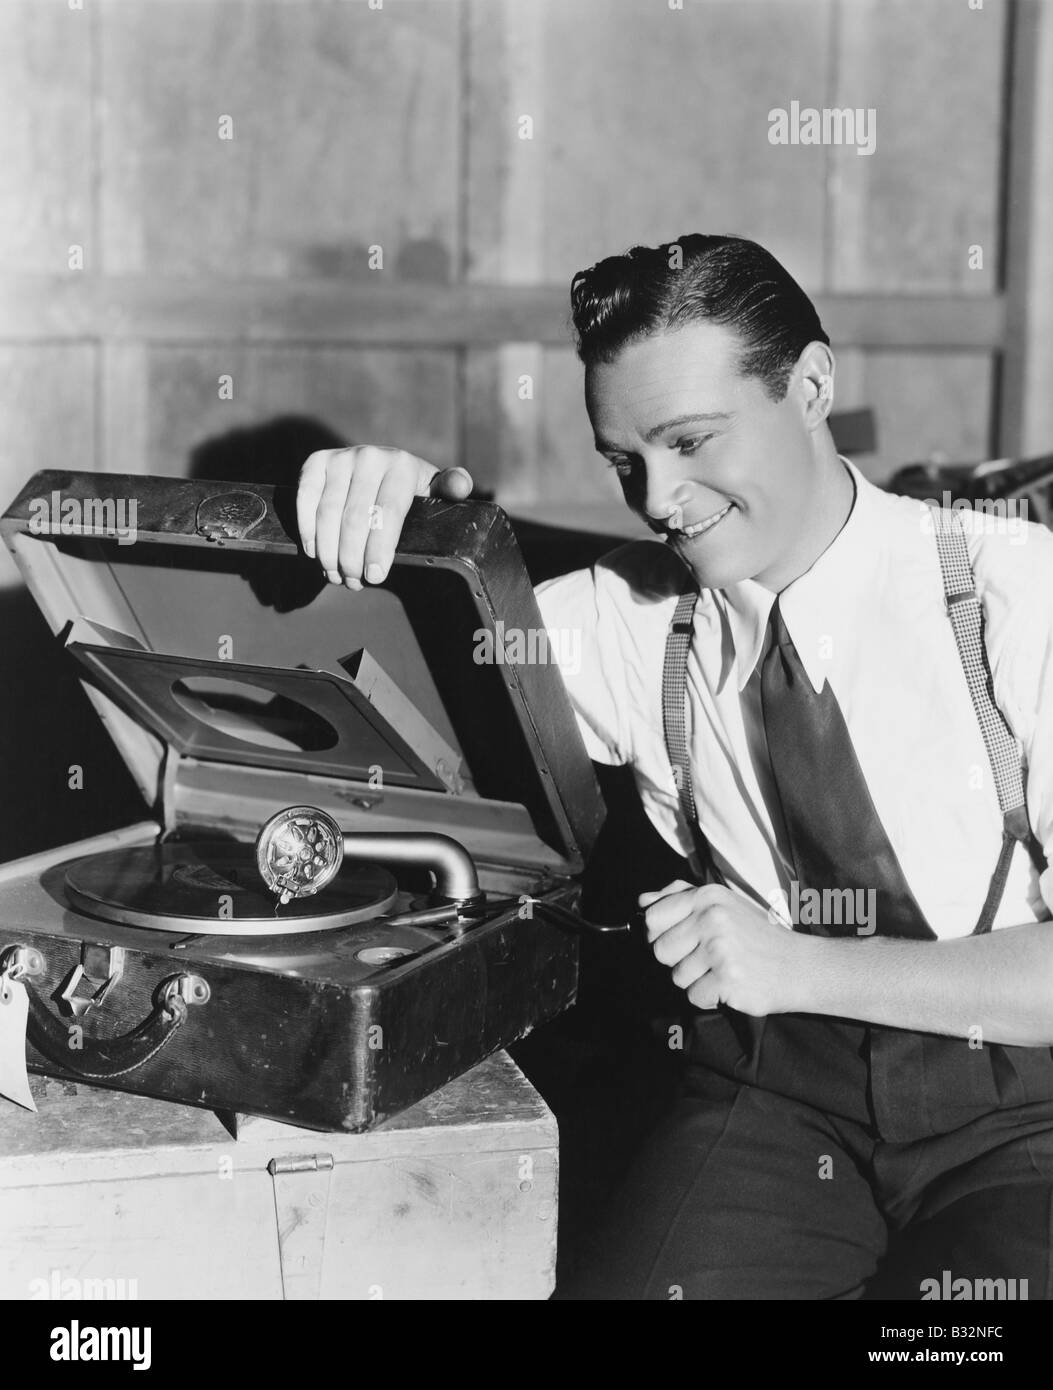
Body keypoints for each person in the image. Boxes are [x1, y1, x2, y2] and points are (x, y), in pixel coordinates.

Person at [296, 233, 1053, 1300]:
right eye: (626, 461)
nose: (658, 498)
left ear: (812, 386)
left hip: (1023, 1114)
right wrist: (403, 515)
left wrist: (804, 965)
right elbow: (367, 715)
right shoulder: (631, 615)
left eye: (693, 440)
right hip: (779, 1098)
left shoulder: (1019, 597)